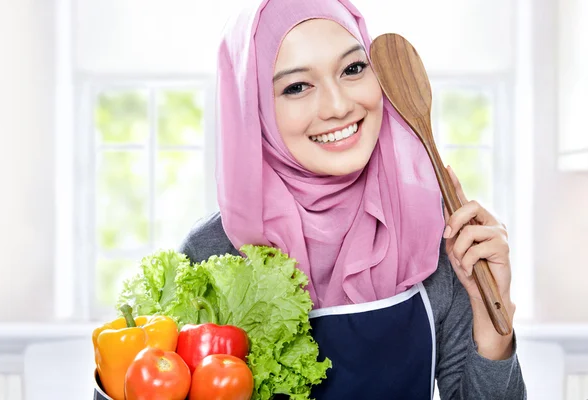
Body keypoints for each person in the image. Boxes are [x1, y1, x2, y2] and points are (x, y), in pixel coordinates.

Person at [179, 0, 527, 398]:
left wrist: (492, 321)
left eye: (353, 69)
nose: (340, 106)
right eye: (296, 86)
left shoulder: (435, 237)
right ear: (253, 108)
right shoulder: (210, 256)